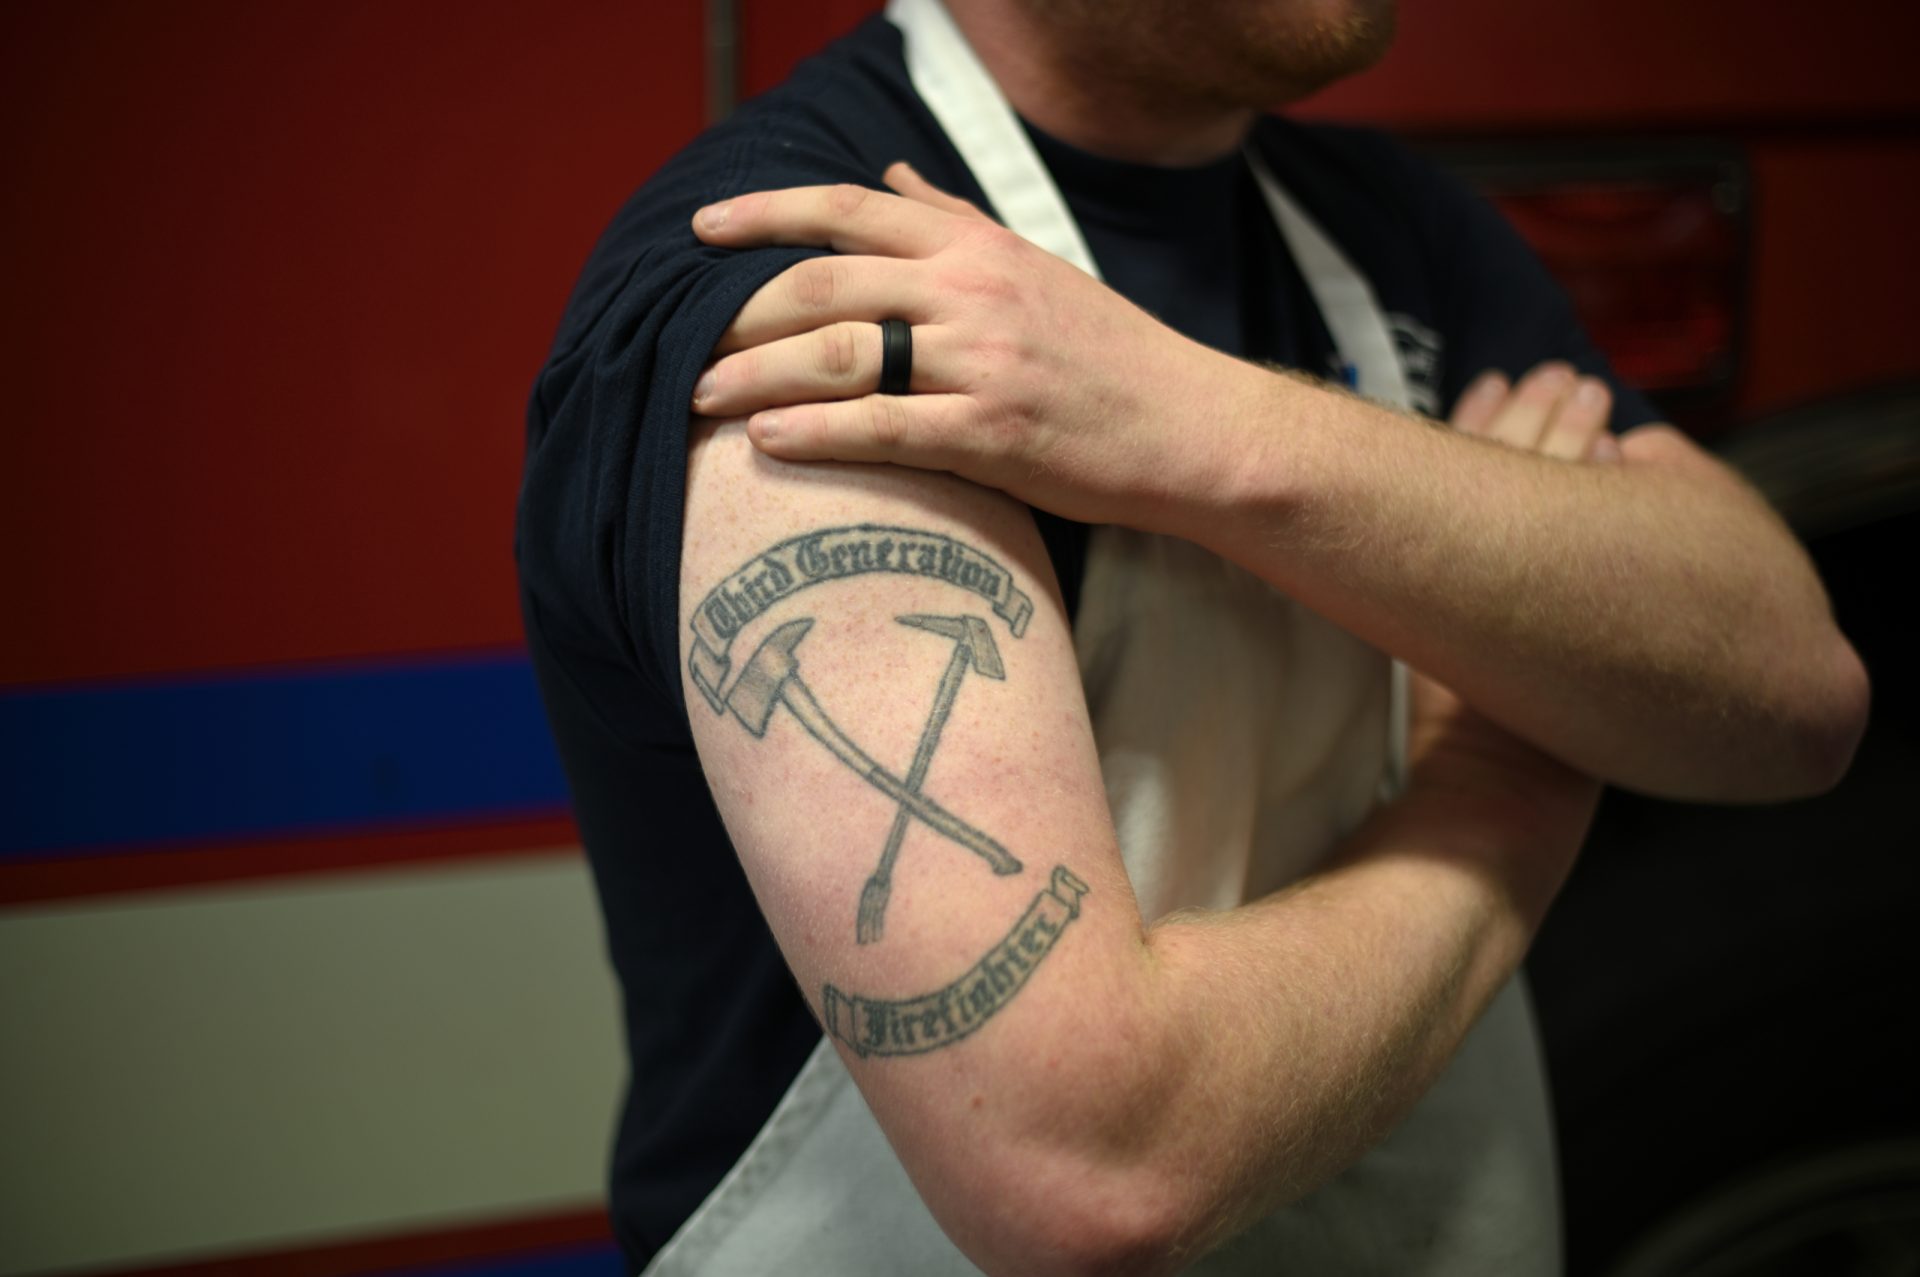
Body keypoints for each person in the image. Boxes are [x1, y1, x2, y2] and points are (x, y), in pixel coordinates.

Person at [516, 0, 1869, 1272]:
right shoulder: (816, 287)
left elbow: (1800, 688)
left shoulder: (1393, 234)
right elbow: (1093, 1167)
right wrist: (1509, 783)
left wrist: (1197, 418)